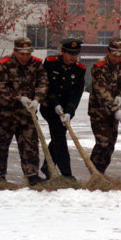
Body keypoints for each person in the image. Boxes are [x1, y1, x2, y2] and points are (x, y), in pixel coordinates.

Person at [0, 37, 48, 184]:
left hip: (26, 115)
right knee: (0, 146)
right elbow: (1, 88)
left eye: (27, 53)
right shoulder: (3, 65)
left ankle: (32, 174)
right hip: (4, 114)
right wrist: (19, 98)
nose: (25, 57)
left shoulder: (36, 64)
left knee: (30, 144)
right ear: (15, 51)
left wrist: (37, 99)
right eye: (21, 54)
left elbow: (43, 82)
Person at [40, 38, 86, 179]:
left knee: (57, 137)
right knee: (60, 137)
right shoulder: (50, 63)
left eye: (76, 54)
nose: (73, 57)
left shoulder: (79, 69)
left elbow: (76, 94)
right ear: (62, 52)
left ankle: (47, 167)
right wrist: (55, 104)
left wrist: (69, 112)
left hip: (65, 110)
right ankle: (67, 174)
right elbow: (47, 86)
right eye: (70, 53)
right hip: (49, 107)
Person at [87, 38, 121, 174]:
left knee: (111, 144)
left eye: (120, 55)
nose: (117, 58)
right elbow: (101, 90)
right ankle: (95, 171)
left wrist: (120, 97)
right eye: (114, 55)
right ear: (108, 52)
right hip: (99, 110)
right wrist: (114, 107)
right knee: (103, 143)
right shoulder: (98, 67)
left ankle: (100, 171)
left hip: (114, 111)